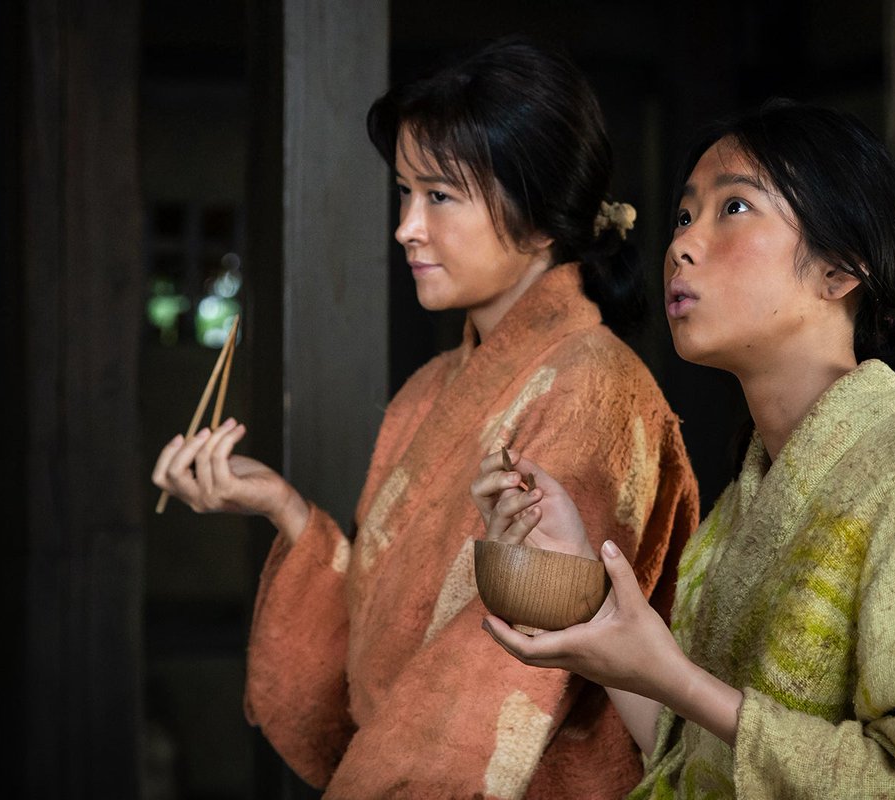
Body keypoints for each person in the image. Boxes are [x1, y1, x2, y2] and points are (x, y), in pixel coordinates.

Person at [151, 38, 698, 799]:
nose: (407, 227)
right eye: (405, 193)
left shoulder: (594, 390)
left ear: (540, 219)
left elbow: (498, 678)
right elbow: (378, 630)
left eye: (439, 196)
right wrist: (280, 505)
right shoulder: (429, 389)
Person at [474, 99, 895, 798]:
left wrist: (676, 678)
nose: (682, 245)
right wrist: (579, 582)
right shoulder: (738, 513)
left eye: (735, 208)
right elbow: (694, 760)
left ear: (841, 269)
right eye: (684, 216)